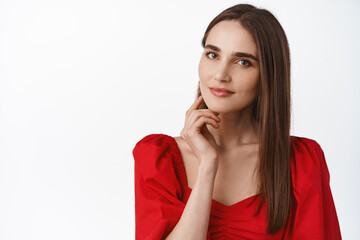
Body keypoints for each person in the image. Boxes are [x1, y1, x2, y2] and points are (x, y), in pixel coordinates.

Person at [132, 3, 342, 240]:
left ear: (268, 75)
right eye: (213, 54)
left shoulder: (302, 162)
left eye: (243, 62)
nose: (220, 75)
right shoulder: (159, 157)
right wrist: (207, 167)